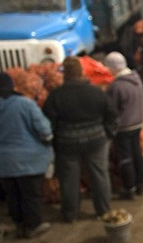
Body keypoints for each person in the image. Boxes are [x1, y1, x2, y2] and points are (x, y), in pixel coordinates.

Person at [0, 72, 53, 238]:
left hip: (1, 163)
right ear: (12, 87)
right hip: (29, 160)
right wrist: (48, 141)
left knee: (12, 195)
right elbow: (44, 130)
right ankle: (33, 226)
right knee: (30, 194)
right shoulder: (26, 104)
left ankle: (19, 225)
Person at [43, 57, 117, 222]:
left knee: (69, 179)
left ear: (65, 75)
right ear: (81, 73)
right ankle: (103, 211)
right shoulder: (96, 92)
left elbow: (48, 119)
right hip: (96, 141)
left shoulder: (56, 96)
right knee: (100, 175)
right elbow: (111, 114)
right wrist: (108, 133)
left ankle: (70, 214)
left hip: (67, 143)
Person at [104, 52, 143, 199]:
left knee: (125, 158)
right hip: (137, 123)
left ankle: (129, 188)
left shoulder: (116, 86)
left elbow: (111, 109)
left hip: (124, 127)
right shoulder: (136, 79)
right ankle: (140, 184)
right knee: (137, 154)